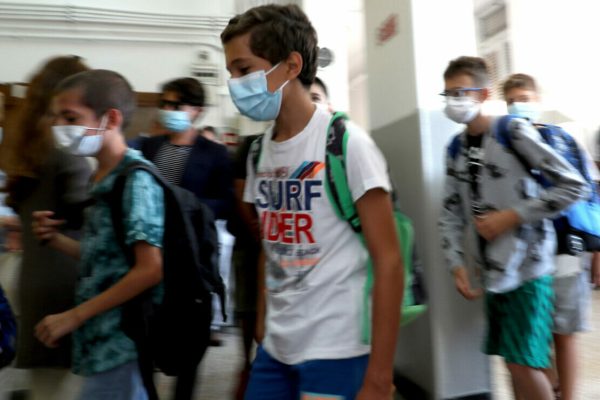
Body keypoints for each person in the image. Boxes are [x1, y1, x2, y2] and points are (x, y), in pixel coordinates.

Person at [221, 5, 404, 400]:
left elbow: (388, 260)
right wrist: (263, 318)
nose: (234, 84)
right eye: (230, 73)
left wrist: (379, 375)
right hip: (277, 348)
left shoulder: (346, 143)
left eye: (244, 69)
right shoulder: (258, 153)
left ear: (291, 65)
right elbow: (270, 246)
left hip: (338, 350)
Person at [438, 56, 589, 400]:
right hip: (493, 275)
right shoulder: (455, 150)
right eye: (447, 94)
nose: (453, 100)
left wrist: (512, 216)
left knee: (524, 362)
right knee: (512, 362)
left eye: (461, 92)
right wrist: (456, 262)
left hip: (530, 269)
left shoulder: (511, 132)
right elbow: (450, 212)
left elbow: (572, 185)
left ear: (483, 93)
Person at [32, 69, 165, 400]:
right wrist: (57, 240)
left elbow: (150, 268)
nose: (59, 126)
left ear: (111, 119)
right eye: (57, 116)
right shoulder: (101, 179)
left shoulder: (135, 180)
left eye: (71, 116)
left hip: (123, 340)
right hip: (100, 341)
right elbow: (107, 256)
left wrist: (73, 317)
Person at [131, 77, 233, 400]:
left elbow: (225, 201)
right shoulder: (148, 148)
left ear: (197, 111)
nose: (169, 110)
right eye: (166, 103)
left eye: (178, 105)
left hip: (191, 255)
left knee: (189, 339)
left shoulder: (215, 154)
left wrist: (186, 205)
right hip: (150, 250)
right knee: (145, 337)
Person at [502, 72, 600, 400]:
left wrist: (596, 247)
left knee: (565, 331)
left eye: (525, 99)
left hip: (564, 248)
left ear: (537, 101)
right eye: (512, 101)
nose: (519, 106)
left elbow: (587, 191)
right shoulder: (504, 144)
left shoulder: (562, 140)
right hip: (522, 254)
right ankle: (550, 386)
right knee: (533, 335)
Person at [0, 55, 92, 400]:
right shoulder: (66, 150)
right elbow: (90, 221)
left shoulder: (28, 145)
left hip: (35, 279)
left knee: (47, 386)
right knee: (66, 387)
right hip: (64, 281)